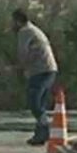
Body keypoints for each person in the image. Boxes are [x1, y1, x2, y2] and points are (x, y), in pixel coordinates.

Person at [11, 9, 59, 145]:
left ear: (18, 21)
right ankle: (41, 135)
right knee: (39, 104)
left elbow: (23, 54)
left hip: (41, 71)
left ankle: (44, 131)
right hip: (49, 69)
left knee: (35, 102)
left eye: (13, 21)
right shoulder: (34, 30)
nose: (11, 25)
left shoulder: (24, 32)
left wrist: (14, 67)